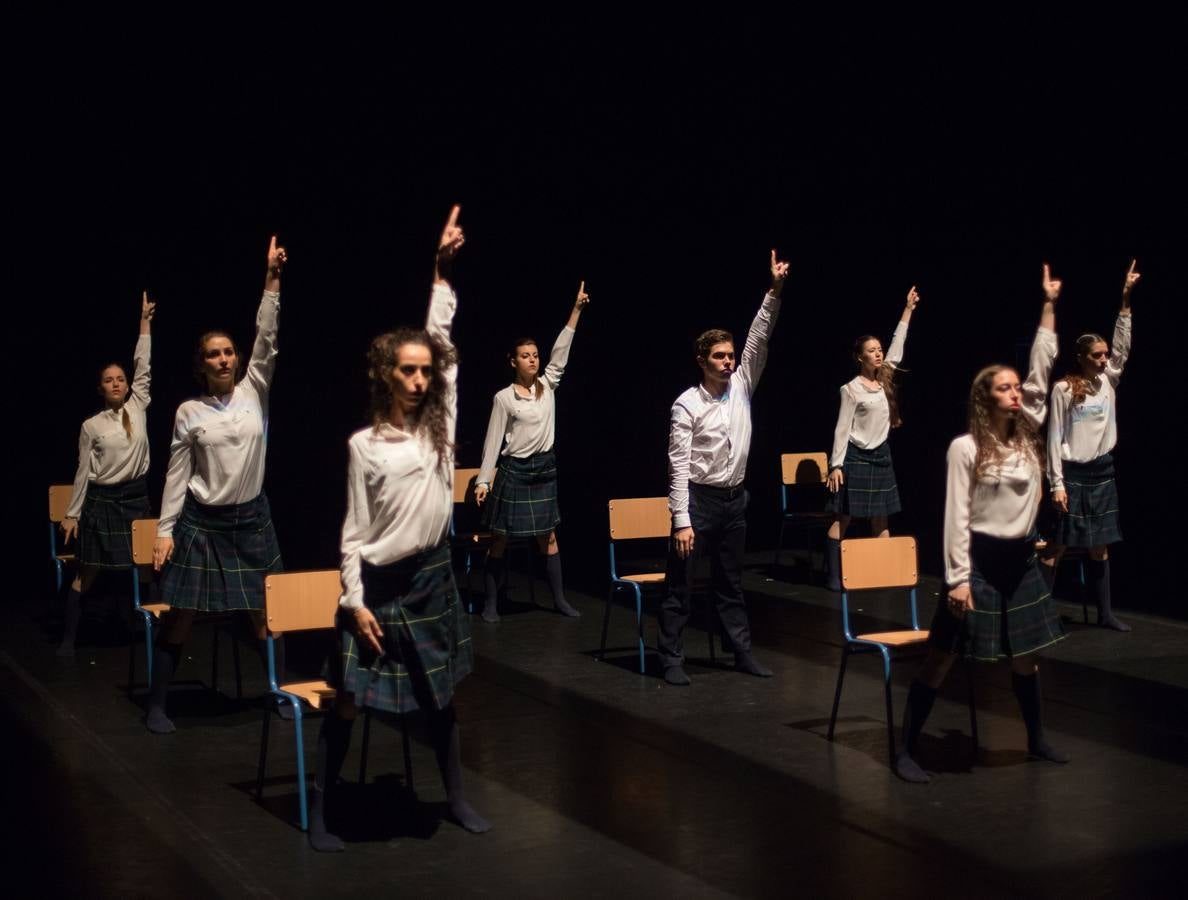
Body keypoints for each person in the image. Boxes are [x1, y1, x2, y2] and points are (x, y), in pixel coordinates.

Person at [308, 206, 488, 852]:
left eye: (424, 372)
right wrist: (353, 603)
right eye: (407, 371)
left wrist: (441, 272)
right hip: (379, 590)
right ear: (387, 373)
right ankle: (322, 814)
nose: (419, 379)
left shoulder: (440, 428)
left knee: (441, 699)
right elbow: (352, 533)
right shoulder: (363, 446)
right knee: (349, 702)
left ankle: (458, 800)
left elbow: (441, 343)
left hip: (433, 579)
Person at [894, 265, 1069, 784]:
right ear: (983, 398)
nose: (1017, 393)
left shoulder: (1025, 439)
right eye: (1004, 388)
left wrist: (1049, 306)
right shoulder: (965, 449)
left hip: (1020, 561)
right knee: (944, 658)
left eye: (1017, 387)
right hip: (980, 562)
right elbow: (955, 517)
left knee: (1025, 660)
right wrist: (957, 578)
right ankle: (906, 749)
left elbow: (1041, 371)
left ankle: (1035, 739)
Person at [146, 236, 288, 734]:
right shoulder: (189, 411)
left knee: (267, 611)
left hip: (251, 520)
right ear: (201, 363)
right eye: (215, 354)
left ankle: (275, 691)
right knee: (181, 613)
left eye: (230, 352)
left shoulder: (256, 390)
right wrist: (165, 530)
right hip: (203, 523)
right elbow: (177, 474)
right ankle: (157, 703)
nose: (225, 359)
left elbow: (266, 338)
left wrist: (272, 280)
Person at [659, 250, 788, 686]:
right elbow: (677, 466)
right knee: (681, 585)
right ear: (702, 360)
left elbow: (759, 337)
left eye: (730, 355)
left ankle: (741, 653)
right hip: (698, 500)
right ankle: (672, 656)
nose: (729, 361)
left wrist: (774, 290)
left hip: (734, 500)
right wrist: (681, 520)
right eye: (719, 356)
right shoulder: (686, 404)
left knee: (731, 584)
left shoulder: (742, 385)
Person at [474, 282, 590, 622]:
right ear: (512, 362)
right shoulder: (504, 398)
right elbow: (493, 441)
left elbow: (561, 353)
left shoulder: (547, 386)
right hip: (515, 470)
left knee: (548, 536)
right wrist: (483, 480)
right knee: (500, 539)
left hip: (544, 470)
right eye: (525, 356)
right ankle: (491, 604)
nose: (533, 360)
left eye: (535, 355)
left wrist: (576, 311)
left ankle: (559, 600)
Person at [1041, 260, 1139, 631]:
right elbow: (1053, 439)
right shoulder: (1064, 390)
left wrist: (1126, 299)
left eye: (1105, 355)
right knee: (1057, 547)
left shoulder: (1109, 381)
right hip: (1073, 473)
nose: (1104, 359)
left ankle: (1105, 614)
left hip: (1102, 472)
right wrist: (1057, 484)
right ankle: (1041, 613)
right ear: (1081, 358)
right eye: (1097, 356)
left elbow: (1123, 347)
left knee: (1101, 545)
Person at [59, 293, 156, 656]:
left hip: (135, 498)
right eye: (108, 380)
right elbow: (84, 471)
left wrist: (144, 323)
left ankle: (147, 633)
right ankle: (69, 639)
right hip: (103, 501)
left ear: (128, 385)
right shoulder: (91, 425)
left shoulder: (139, 405)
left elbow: (143, 364)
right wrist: (72, 513)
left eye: (120, 379)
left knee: (146, 568)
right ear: (100, 387)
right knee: (90, 572)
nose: (116, 383)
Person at [824, 287, 920, 589]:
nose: (878, 354)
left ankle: (884, 574)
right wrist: (836, 465)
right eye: (872, 350)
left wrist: (908, 309)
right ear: (859, 357)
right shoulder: (850, 389)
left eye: (879, 349)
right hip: (855, 456)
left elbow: (898, 344)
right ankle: (835, 576)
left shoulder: (885, 379)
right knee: (845, 517)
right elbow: (842, 428)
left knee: (882, 518)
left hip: (881, 456)